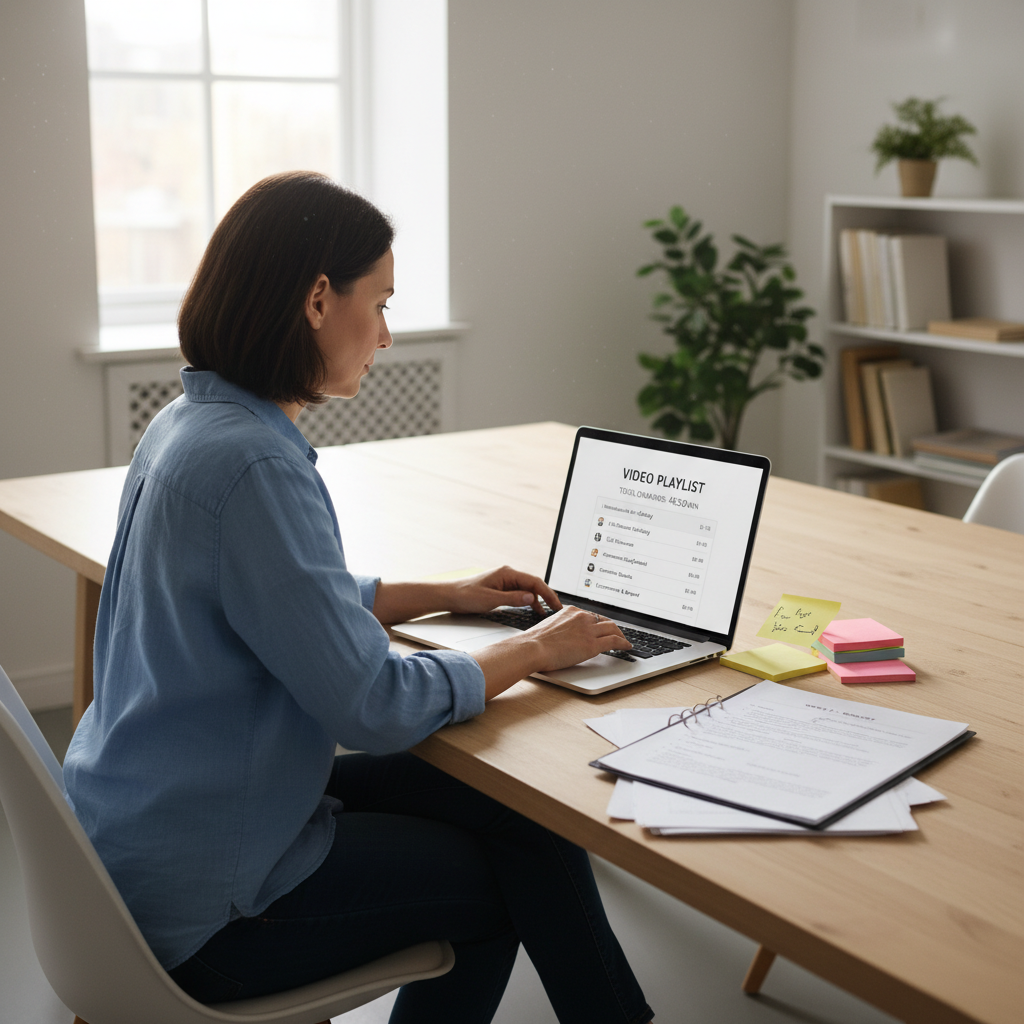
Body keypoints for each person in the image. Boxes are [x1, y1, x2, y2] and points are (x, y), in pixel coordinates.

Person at [63, 171, 652, 1024]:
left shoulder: (186, 424)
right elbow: (373, 704)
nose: (384, 334)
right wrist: (534, 648)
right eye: (378, 304)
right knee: (504, 887)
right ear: (316, 300)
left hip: (152, 835)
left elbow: (277, 597)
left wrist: (444, 594)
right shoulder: (256, 464)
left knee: (520, 816)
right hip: (215, 904)